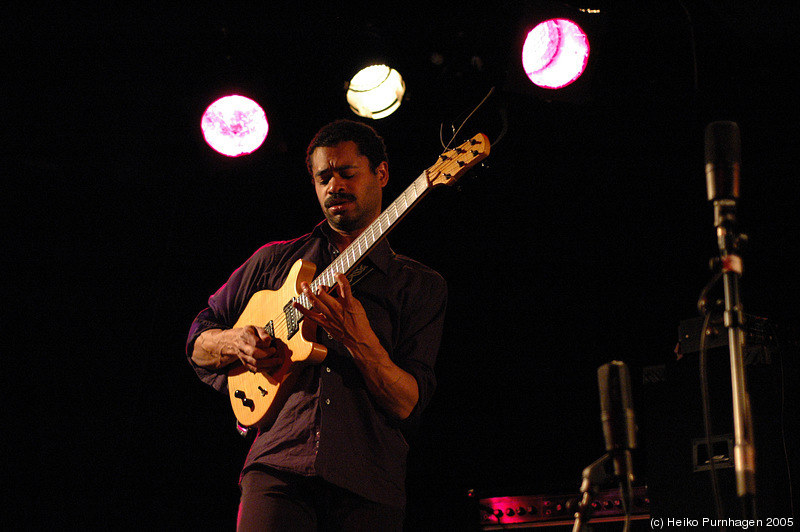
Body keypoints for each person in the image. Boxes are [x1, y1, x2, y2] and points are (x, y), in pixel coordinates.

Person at [186, 119, 447, 531]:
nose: (334, 186)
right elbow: (198, 338)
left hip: (369, 480)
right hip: (277, 466)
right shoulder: (274, 260)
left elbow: (408, 403)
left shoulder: (420, 285)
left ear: (381, 174)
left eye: (347, 173)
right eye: (323, 177)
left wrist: (359, 341)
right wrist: (237, 342)